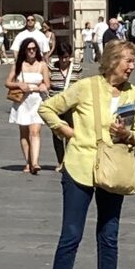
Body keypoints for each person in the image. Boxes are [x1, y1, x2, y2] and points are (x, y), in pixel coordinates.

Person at [38, 40, 135, 269]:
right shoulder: (85, 87)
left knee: (109, 235)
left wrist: (127, 135)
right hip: (80, 167)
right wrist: (65, 131)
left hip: (113, 169)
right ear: (112, 61)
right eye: (128, 60)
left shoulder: (133, 94)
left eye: (133, 61)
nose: (132, 66)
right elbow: (47, 108)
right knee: (71, 234)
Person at [5, 38, 51, 175]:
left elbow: (47, 84)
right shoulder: (18, 65)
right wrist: (19, 84)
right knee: (24, 133)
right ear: (24, 50)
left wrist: (42, 87)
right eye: (29, 49)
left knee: (35, 131)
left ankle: (35, 163)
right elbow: (7, 82)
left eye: (34, 49)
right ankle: (28, 162)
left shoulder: (42, 65)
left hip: (37, 101)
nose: (32, 51)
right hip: (22, 102)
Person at [48, 43, 77, 172]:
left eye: (66, 57)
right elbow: (48, 84)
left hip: (71, 106)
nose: (64, 60)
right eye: (61, 57)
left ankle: (69, 161)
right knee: (57, 134)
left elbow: (80, 86)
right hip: (56, 106)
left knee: (71, 134)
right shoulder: (52, 67)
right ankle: (60, 161)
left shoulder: (76, 68)